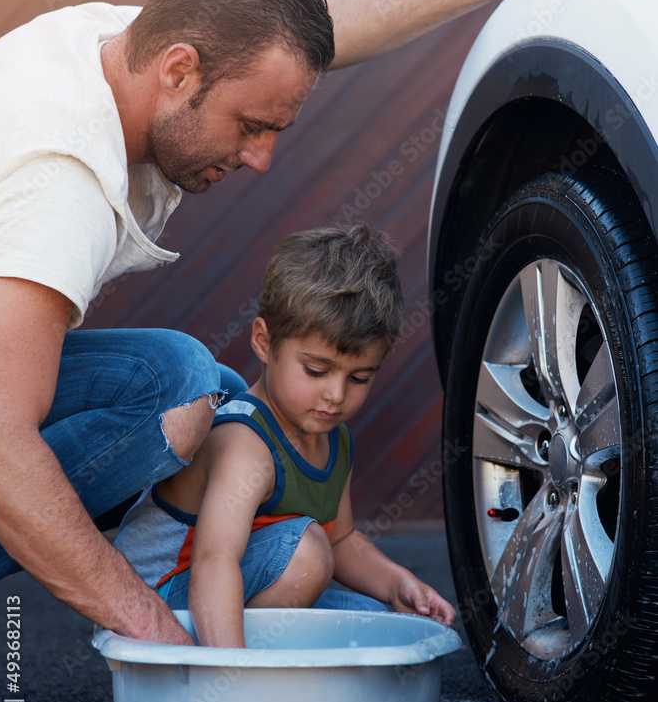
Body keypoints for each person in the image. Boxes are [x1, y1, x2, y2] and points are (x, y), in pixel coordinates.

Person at [0, 0, 586, 645]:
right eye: (249, 127)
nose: (261, 159)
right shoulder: (59, 186)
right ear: (178, 72)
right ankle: (151, 586)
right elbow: (1, 443)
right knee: (171, 398)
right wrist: (155, 638)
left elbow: (305, 34)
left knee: (189, 380)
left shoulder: (117, 47)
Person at [114, 225, 456, 646]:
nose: (336, 395)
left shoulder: (334, 438)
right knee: (307, 554)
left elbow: (342, 539)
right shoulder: (246, 444)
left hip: (235, 585)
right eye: (316, 371)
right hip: (162, 603)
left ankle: (271, 669)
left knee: (379, 624)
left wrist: (398, 584)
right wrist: (229, 672)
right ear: (263, 341)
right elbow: (214, 560)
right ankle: (240, 671)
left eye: (360, 377)